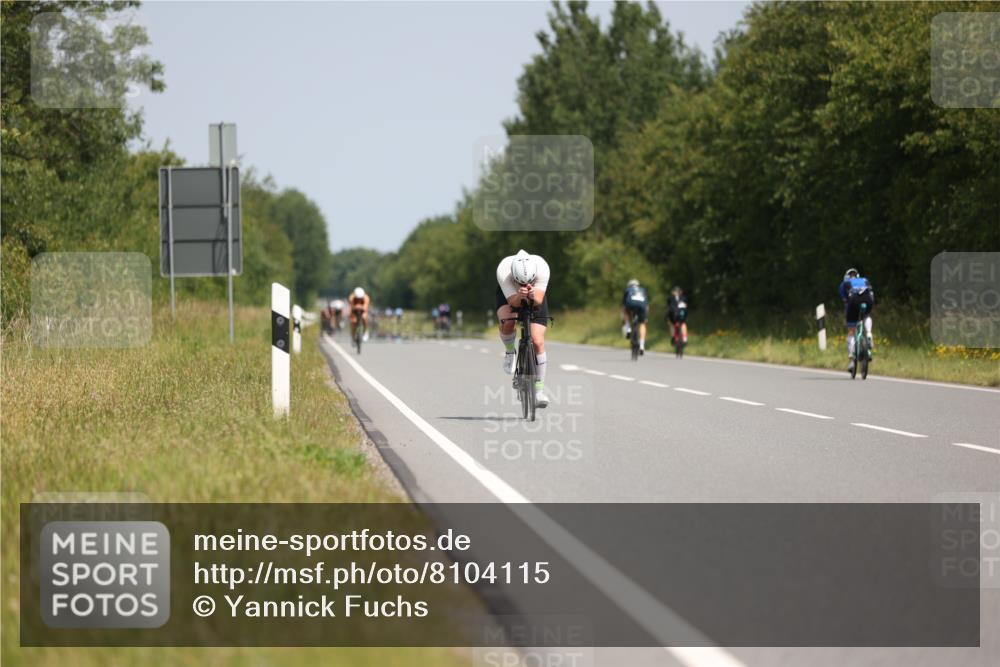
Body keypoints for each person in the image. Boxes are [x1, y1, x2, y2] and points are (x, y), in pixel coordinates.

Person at [496, 249, 551, 407]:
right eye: (520, 282)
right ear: (513, 276)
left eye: (527, 282)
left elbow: (539, 300)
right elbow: (513, 302)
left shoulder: (542, 268)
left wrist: (532, 294)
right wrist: (519, 295)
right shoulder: (503, 270)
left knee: (538, 341)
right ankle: (509, 352)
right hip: (509, 294)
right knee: (508, 322)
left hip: (536, 294)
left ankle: (539, 391)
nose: (524, 285)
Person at [838, 268, 875, 373]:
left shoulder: (844, 283)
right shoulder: (865, 280)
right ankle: (868, 333)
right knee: (867, 316)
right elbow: (872, 293)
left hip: (854, 300)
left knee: (851, 330)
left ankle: (851, 359)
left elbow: (845, 300)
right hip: (868, 299)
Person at [621, 279, 649, 354]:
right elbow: (646, 305)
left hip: (631, 304)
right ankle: (642, 345)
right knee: (642, 324)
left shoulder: (628, 289)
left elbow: (623, 304)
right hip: (642, 306)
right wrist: (645, 316)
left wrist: (623, 316)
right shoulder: (642, 290)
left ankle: (628, 327)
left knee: (625, 311)